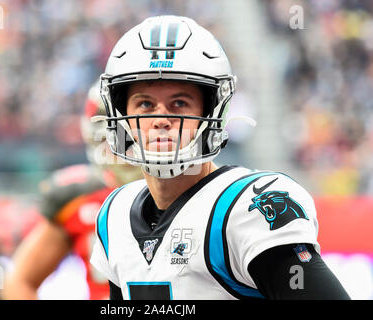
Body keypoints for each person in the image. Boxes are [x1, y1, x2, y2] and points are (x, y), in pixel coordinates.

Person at [90, 15, 350, 300]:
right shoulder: (114, 213)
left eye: (179, 103)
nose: (161, 119)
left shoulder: (245, 208)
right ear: (119, 112)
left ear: (212, 111)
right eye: (145, 104)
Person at [2, 82, 143, 300]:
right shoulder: (79, 199)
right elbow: (19, 282)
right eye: (113, 140)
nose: (127, 151)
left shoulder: (197, 192)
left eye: (134, 141)